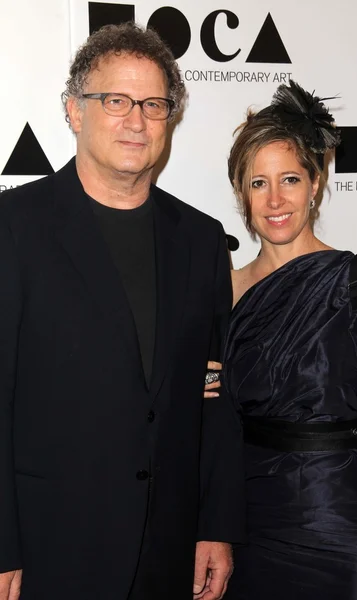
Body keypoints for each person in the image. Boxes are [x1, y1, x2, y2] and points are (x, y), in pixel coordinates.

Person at [0, 22, 245, 600]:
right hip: (48, 546)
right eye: (116, 100)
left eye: (154, 104)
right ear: (74, 111)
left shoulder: (202, 239)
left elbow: (216, 398)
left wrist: (215, 526)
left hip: (170, 546)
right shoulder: (14, 227)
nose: (136, 120)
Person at [221, 81, 357, 599]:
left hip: (355, 524)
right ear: (241, 192)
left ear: (316, 184)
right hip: (251, 526)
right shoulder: (221, 294)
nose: (275, 200)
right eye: (258, 183)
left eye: (291, 179)